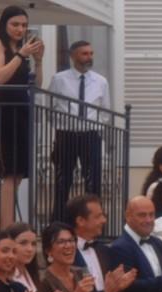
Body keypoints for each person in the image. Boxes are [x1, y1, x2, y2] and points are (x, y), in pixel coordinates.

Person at [0, 7, 43, 227]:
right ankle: (6, 228)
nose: (20, 29)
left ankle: (5, 224)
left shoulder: (22, 49)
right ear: (5, 24)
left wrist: (38, 61)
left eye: (24, 25)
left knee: (19, 172)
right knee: (9, 171)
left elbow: (36, 85)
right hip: (5, 109)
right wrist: (21, 56)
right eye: (15, 24)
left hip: (22, 110)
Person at [48, 40, 110, 220]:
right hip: (66, 134)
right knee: (63, 179)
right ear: (73, 56)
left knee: (93, 180)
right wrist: (62, 125)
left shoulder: (100, 81)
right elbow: (50, 107)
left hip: (90, 135)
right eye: (84, 54)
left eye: (91, 53)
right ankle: (59, 220)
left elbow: (105, 109)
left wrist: (95, 125)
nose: (89, 58)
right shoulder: (59, 79)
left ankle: (93, 219)